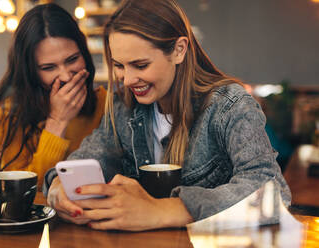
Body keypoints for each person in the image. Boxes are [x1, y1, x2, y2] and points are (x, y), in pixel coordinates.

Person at [44, 0, 291, 231]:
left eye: (140, 65)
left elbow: (274, 193)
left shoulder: (229, 105)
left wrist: (163, 211)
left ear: (179, 50)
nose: (127, 80)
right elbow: (86, 160)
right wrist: (57, 188)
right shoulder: (122, 106)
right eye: (119, 65)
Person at [0, 3, 106, 189]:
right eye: (48, 67)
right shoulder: (10, 114)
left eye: (72, 59)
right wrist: (57, 122)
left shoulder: (106, 103)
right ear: (30, 71)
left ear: (84, 55)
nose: (65, 76)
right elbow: (20, 191)